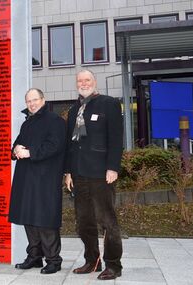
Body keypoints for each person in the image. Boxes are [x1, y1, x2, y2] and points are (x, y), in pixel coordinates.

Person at [64, 70, 124, 280]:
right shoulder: (74, 110)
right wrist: (68, 172)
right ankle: (92, 261)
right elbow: (71, 144)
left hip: (101, 173)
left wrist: (113, 167)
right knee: (83, 221)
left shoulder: (109, 104)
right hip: (79, 174)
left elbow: (116, 138)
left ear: (94, 82)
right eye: (80, 80)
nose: (83, 83)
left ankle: (114, 265)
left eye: (87, 79)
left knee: (107, 220)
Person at [9, 88, 66, 274]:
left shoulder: (55, 121)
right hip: (26, 177)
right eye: (28, 101)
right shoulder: (27, 123)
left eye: (35, 100)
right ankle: (34, 257)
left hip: (45, 178)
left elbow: (55, 146)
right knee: (28, 217)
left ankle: (53, 260)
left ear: (43, 100)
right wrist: (15, 149)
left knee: (45, 219)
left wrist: (30, 152)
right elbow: (17, 144)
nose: (32, 104)